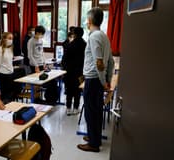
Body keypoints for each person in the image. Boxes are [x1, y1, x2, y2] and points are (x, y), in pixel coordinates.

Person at [77, 7, 114, 152]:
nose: (86, 22)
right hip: (99, 79)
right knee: (97, 110)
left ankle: (93, 144)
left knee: (91, 111)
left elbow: (99, 63)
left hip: (93, 80)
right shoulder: (104, 36)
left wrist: (103, 82)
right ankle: (94, 136)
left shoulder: (93, 36)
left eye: (87, 20)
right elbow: (110, 62)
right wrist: (108, 79)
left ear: (90, 20)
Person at [62, 27, 86, 115]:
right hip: (80, 71)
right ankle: (76, 108)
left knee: (69, 90)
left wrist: (65, 69)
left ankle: (68, 108)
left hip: (69, 71)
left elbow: (64, 59)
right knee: (78, 90)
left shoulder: (70, 45)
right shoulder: (85, 44)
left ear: (74, 34)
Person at [0, 32, 15, 103]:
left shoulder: (10, 49)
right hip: (3, 74)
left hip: (10, 73)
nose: (11, 40)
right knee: (5, 95)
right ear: (4, 39)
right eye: (9, 38)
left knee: (11, 94)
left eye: (12, 39)